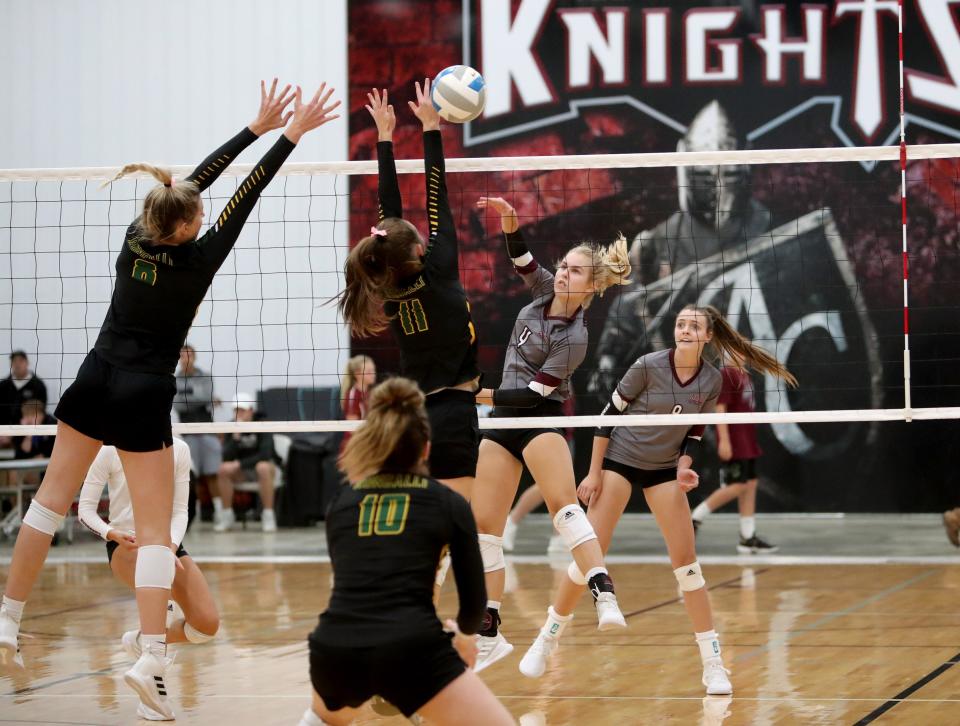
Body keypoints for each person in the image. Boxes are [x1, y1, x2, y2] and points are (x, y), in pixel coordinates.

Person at [0, 78, 340, 721]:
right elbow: (245, 192)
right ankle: (150, 654)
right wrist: (286, 135)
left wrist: (253, 127)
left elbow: (188, 185)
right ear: (185, 227)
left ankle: (7, 620)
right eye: (198, 216)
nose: (205, 215)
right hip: (143, 391)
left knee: (48, 502)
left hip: (93, 376)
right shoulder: (197, 259)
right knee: (156, 533)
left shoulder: (138, 235)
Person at [517, 304, 797, 696]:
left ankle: (713, 664)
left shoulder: (712, 380)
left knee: (688, 567)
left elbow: (694, 430)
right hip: (620, 461)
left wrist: (684, 464)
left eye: (693, 326)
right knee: (588, 557)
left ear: (707, 337)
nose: (683, 330)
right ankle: (546, 639)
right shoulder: (648, 365)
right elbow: (605, 418)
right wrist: (594, 473)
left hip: (664, 470)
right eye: (680, 323)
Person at [470, 196, 632, 672]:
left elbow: (531, 396)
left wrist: (475, 395)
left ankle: (603, 590)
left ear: (592, 285)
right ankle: (490, 628)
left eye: (575, 271)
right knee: (485, 529)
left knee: (565, 509)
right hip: (502, 424)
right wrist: (510, 220)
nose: (563, 273)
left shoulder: (575, 338)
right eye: (563, 266)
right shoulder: (542, 291)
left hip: (538, 418)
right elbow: (521, 257)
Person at [299, 377, 513, 726]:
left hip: (334, 648)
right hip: (411, 648)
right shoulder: (448, 503)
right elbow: (474, 607)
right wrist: (460, 638)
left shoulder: (341, 504)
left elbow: (350, 587)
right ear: (427, 449)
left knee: (323, 719)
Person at [338, 82, 481, 506]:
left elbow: (391, 213)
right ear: (419, 249)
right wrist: (428, 129)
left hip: (417, 416)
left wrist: (386, 136)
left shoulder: (387, 284)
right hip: (453, 413)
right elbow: (435, 195)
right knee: (458, 526)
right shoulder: (437, 271)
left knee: (429, 521)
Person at [77, 437, 219, 720]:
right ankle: (152, 691)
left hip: (167, 545)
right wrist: (110, 533)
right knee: (162, 600)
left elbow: (180, 511)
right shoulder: (109, 450)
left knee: (206, 625)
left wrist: (172, 546)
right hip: (125, 545)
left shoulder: (179, 449)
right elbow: (85, 511)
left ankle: (142, 642)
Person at [691, 358, 779, 553]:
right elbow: (720, 408)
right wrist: (724, 441)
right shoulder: (726, 374)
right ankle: (695, 517)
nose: (740, 352)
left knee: (751, 484)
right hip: (735, 441)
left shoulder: (744, 374)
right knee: (737, 485)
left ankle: (747, 538)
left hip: (748, 439)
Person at [214, 393, 278, 533]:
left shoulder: (263, 424)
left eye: (242, 410)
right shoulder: (231, 426)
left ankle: (268, 516)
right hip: (243, 472)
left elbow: (265, 455)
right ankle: (227, 517)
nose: (239, 413)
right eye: (236, 410)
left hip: (264, 469)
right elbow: (226, 456)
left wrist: (239, 464)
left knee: (263, 467)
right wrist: (236, 437)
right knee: (223, 469)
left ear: (251, 410)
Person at [174, 343, 223, 527]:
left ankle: (220, 512)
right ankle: (190, 515)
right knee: (189, 475)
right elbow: (178, 405)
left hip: (206, 429)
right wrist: (200, 397)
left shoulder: (205, 376)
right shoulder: (174, 378)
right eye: (183, 356)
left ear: (194, 357)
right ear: (179, 359)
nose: (186, 359)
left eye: (189, 355)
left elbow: (205, 396)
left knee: (212, 473)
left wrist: (187, 396)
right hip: (187, 431)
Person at [0, 351, 48, 445]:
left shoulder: (38, 385)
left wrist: (14, 434)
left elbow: (40, 414)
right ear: (11, 364)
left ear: (27, 362)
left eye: (21, 361)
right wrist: (4, 432)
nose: (17, 364)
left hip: (28, 434)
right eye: (14, 361)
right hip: (3, 432)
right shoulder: (3, 386)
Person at [339, 354, 376, 449]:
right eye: (369, 371)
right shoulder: (353, 395)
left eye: (373, 370)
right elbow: (352, 427)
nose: (373, 374)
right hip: (354, 446)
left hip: (367, 444)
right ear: (357, 374)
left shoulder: (370, 393)